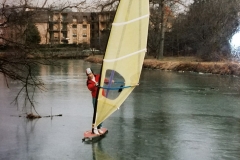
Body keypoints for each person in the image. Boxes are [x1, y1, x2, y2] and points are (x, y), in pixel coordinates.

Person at [86, 68, 104, 135]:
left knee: (101, 113)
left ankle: (99, 128)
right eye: (88, 74)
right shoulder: (88, 82)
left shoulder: (98, 76)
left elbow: (104, 80)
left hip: (102, 96)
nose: (90, 75)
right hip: (95, 98)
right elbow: (90, 88)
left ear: (92, 72)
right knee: (96, 113)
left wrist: (110, 81)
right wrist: (94, 85)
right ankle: (95, 128)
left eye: (90, 73)